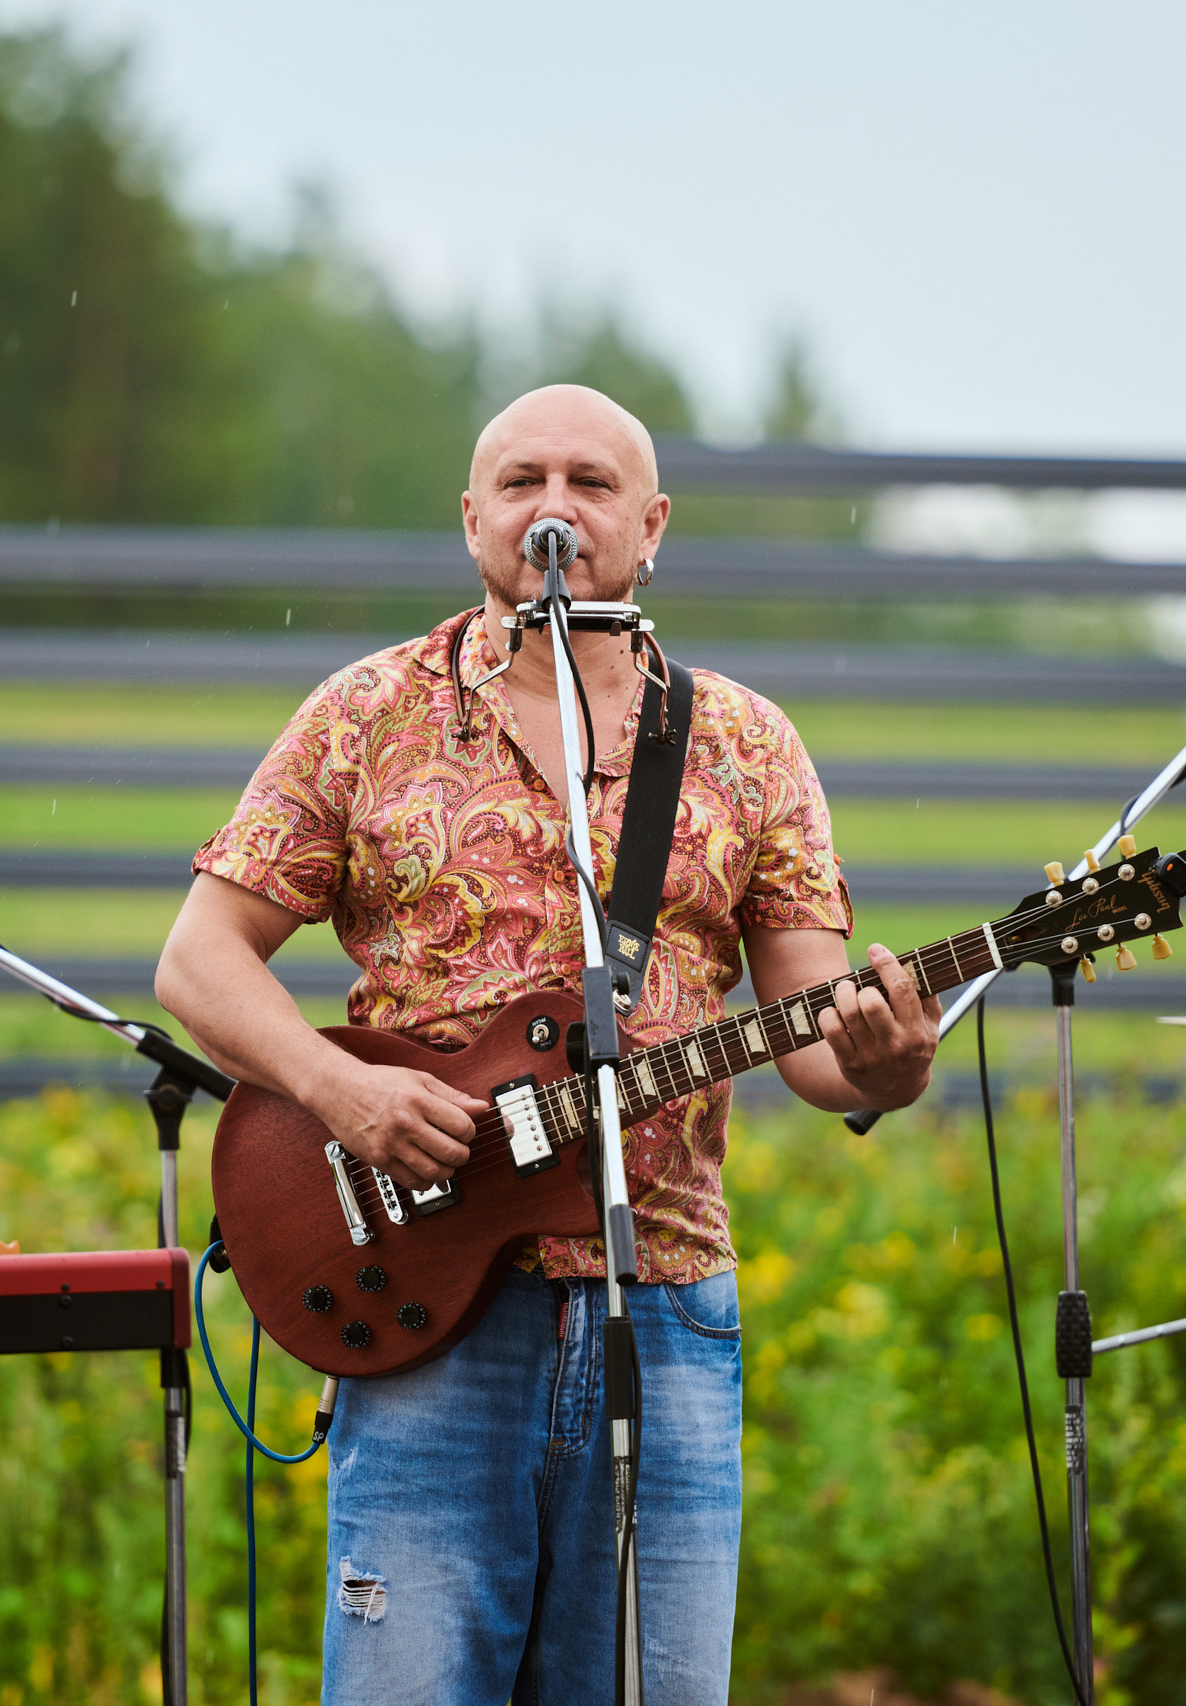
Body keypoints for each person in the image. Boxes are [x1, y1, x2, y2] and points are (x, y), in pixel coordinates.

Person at [157, 385, 941, 1704]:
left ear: (652, 525)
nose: (554, 508)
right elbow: (198, 961)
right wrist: (341, 1089)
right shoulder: (368, 712)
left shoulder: (746, 742)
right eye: (521, 481)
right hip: (421, 1303)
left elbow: (818, 1043)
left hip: (668, 1306)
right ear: (472, 518)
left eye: (589, 482)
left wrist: (892, 1056)